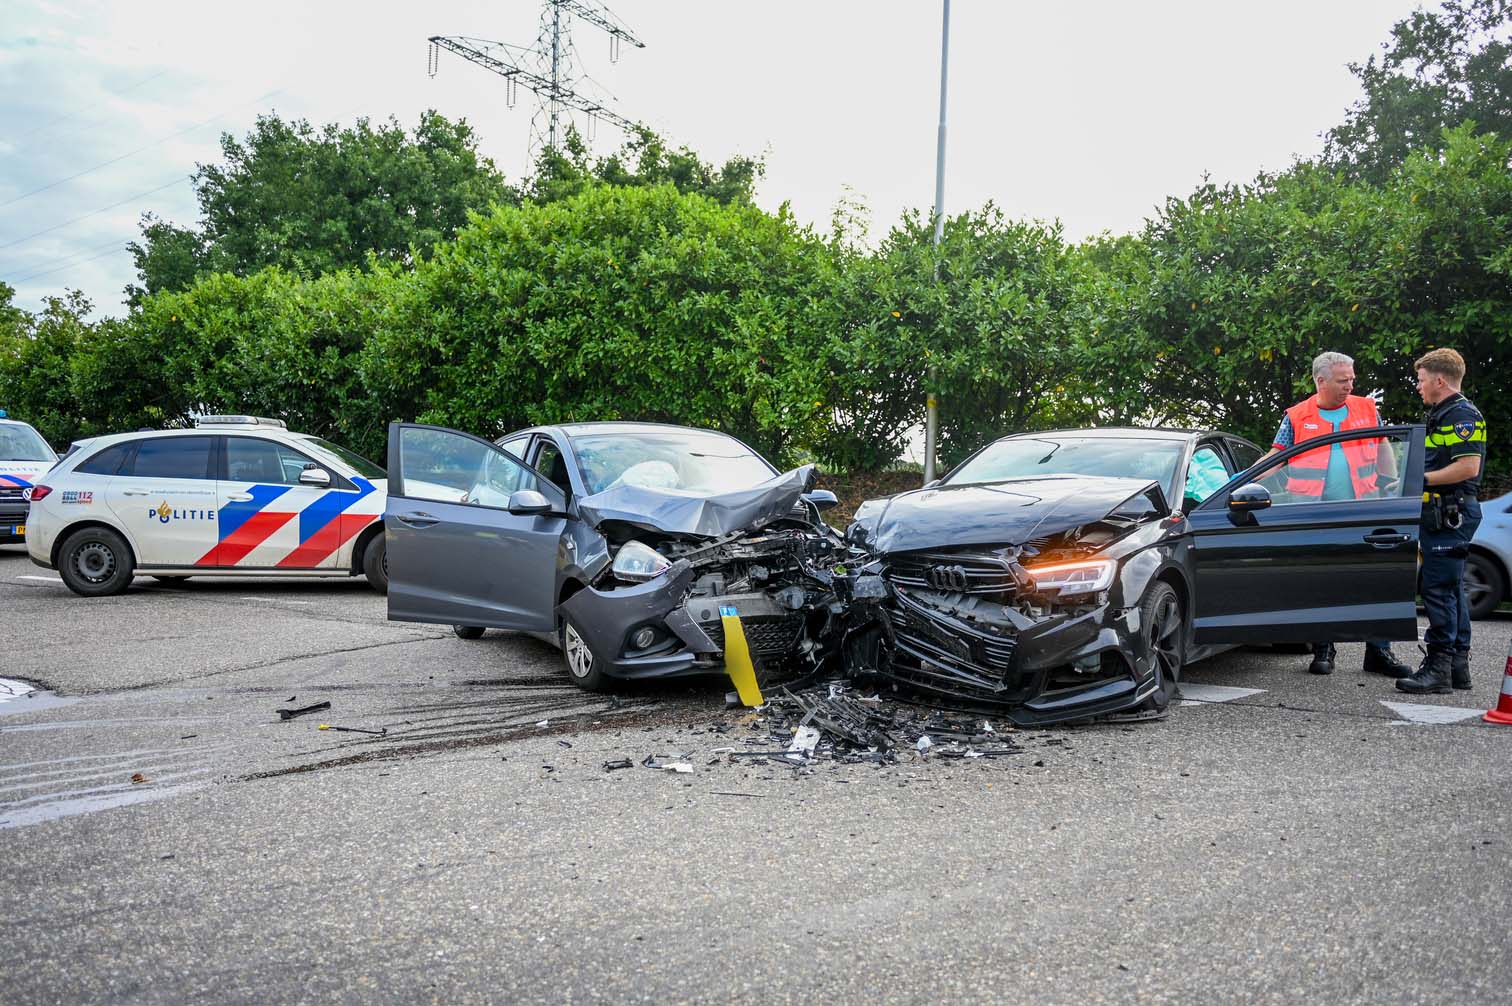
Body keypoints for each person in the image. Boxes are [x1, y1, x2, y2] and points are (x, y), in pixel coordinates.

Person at [1266, 351, 1411, 677]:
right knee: (1321, 581)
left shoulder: (1366, 408)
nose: (1350, 385)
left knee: (1375, 581)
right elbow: (1276, 457)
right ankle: (1323, 648)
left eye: (1352, 379)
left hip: (1364, 510)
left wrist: (1392, 487)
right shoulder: (1296, 416)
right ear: (1321, 381)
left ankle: (1379, 651)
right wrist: (1239, 484)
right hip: (1313, 515)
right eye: (1343, 380)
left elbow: (1382, 445)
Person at [1398, 348, 1486, 694]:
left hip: (1451, 513)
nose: (1418, 386)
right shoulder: (1444, 413)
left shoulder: (1462, 414)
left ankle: (1438, 670)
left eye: (1420, 380)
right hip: (1445, 512)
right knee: (1451, 591)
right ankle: (1457, 667)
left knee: (1437, 591)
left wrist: (1420, 481)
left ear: (1438, 379)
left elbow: (1468, 467)